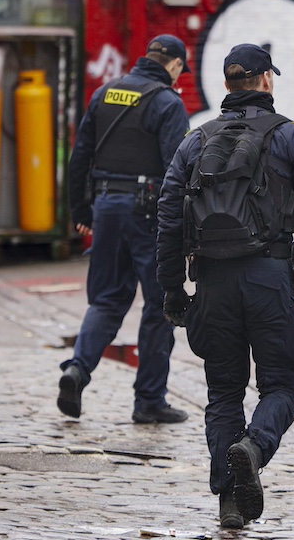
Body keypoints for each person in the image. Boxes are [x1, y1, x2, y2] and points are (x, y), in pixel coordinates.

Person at [155, 43, 294, 528]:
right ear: (266, 80)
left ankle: (229, 502)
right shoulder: (292, 138)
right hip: (270, 278)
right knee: (282, 384)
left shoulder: (194, 140)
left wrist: (172, 289)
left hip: (213, 282)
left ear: (227, 85)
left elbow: (167, 218)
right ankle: (254, 446)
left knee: (223, 392)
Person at [57, 34, 192, 424]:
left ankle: (77, 370)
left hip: (106, 208)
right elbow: (174, 171)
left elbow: (79, 154)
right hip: (147, 212)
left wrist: (81, 209)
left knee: (107, 299)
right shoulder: (167, 103)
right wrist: (180, 228)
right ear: (174, 65)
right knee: (160, 305)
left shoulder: (105, 93)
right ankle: (149, 400)